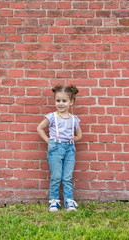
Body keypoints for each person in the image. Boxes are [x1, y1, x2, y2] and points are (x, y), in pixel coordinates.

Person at [37, 84, 82, 212]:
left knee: (67, 177)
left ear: (71, 102)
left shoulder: (74, 119)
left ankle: (69, 201)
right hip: (55, 148)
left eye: (64, 101)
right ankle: (54, 201)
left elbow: (79, 135)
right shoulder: (52, 117)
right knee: (56, 176)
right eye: (58, 100)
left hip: (69, 149)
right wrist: (48, 140)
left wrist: (72, 139)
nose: (60, 104)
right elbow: (40, 128)